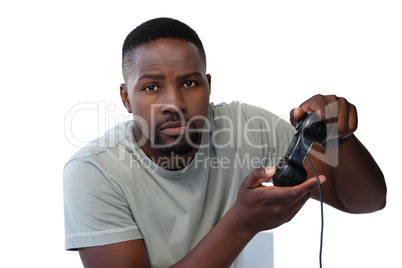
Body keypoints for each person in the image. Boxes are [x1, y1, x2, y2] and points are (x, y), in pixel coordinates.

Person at [63, 17, 386, 268]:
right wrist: (241, 224)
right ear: (125, 97)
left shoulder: (248, 127)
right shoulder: (94, 171)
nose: (174, 102)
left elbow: (367, 201)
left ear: (208, 85)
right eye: (151, 87)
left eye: (189, 82)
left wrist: (340, 137)